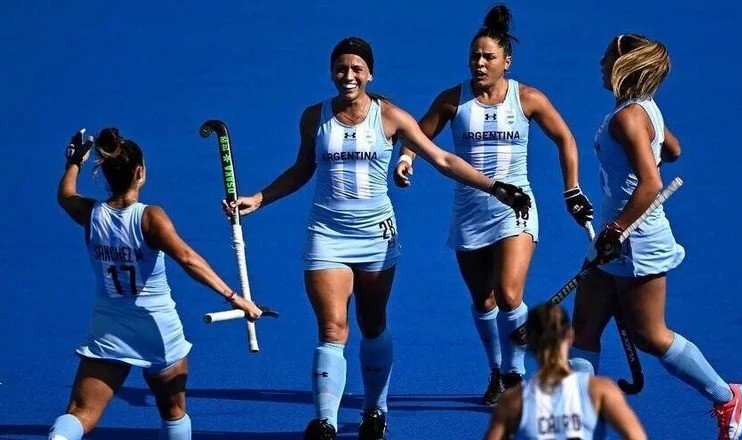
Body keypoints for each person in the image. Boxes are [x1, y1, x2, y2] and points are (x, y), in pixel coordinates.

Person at [226, 37, 531, 440]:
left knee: (372, 324)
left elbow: (442, 158)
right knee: (332, 328)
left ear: (369, 74)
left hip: (375, 236)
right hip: (326, 234)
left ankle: (375, 409)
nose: (348, 75)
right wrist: (259, 198)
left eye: (356, 68)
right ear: (332, 72)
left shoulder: (390, 118)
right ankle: (325, 421)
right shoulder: (314, 117)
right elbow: (302, 169)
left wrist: (495, 187)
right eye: (341, 68)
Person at [393, 4, 593, 405]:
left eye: (488, 57)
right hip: (469, 211)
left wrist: (571, 189)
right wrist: (406, 159)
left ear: (507, 61)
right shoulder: (452, 100)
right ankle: (496, 370)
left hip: (515, 206)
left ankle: (515, 375)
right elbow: (417, 135)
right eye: (474, 57)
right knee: (483, 301)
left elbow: (566, 139)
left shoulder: (528, 98)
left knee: (508, 295)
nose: (480, 64)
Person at [569, 34, 742, 439]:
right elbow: (673, 151)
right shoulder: (641, 109)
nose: (601, 63)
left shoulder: (628, 118)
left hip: (634, 240)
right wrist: (650, 147)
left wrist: (616, 229)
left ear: (623, 63)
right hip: (615, 236)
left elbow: (651, 183)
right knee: (583, 327)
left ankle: (729, 397)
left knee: (650, 336)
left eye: (606, 56)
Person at [49, 128, 262, 440]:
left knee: (81, 413)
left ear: (106, 174)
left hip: (109, 328)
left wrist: (74, 163)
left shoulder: (91, 213)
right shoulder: (149, 217)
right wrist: (235, 297)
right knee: (174, 411)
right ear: (140, 173)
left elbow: (65, 195)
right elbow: (188, 259)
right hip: (158, 329)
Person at [484, 303, 646, 439]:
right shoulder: (601, 390)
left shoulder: (512, 401)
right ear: (570, 336)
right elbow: (637, 436)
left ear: (530, 344)